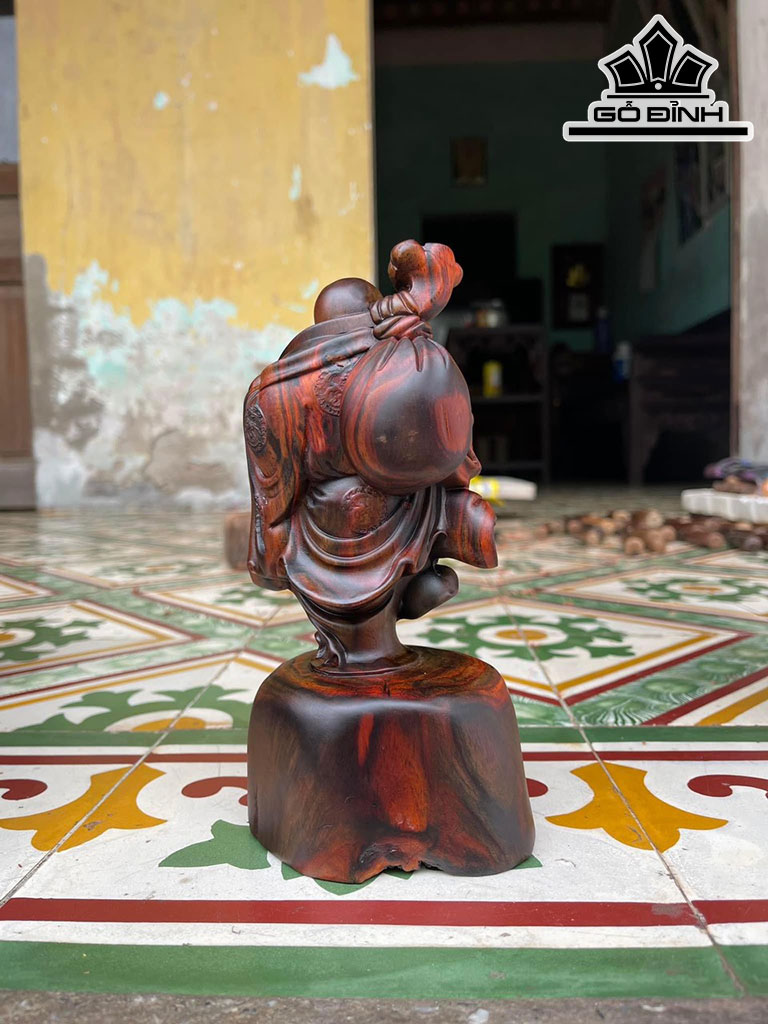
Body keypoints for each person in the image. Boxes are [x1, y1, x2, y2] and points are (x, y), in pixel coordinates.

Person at [243, 240, 497, 671]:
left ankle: (358, 640)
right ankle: (413, 589)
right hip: (408, 517)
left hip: (322, 534)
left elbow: (272, 496)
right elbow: (455, 456)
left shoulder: (276, 389)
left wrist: (267, 557)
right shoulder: (407, 351)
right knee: (430, 503)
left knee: (300, 532)